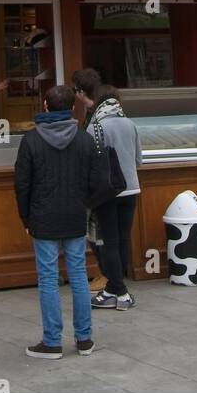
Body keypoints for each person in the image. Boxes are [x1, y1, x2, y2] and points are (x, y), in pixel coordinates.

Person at [14, 83, 102, 359]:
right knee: (79, 276)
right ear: (72, 107)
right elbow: (95, 181)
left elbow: (22, 184)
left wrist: (26, 217)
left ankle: (52, 341)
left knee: (49, 279)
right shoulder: (84, 139)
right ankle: (84, 338)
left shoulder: (31, 141)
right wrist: (84, 205)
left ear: (45, 106)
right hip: (75, 214)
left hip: (43, 216)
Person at [83, 83, 143, 311]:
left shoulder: (95, 126)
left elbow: (90, 162)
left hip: (107, 191)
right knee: (124, 238)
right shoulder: (130, 123)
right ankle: (117, 289)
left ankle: (118, 290)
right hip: (131, 188)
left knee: (108, 240)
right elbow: (139, 159)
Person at [72, 68, 109, 292]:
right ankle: (103, 271)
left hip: (97, 183)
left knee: (98, 231)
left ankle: (105, 273)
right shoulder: (92, 110)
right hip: (96, 181)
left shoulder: (96, 113)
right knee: (96, 231)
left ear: (79, 91)